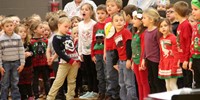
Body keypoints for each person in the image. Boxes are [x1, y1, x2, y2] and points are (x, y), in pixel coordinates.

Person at [47, 16, 80, 100]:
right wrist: (69, 60)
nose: (67, 29)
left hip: (74, 62)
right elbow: (58, 51)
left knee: (72, 81)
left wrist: (77, 59)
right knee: (58, 81)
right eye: (65, 27)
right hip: (65, 63)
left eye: (69, 27)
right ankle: (50, 97)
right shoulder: (56, 38)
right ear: (59, 25)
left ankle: (70, 97)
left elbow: (70, 49)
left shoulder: (68, 36)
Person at [112, 11, 137, 100]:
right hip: (120, 62)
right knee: (121, 83)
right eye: (116, 20)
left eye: (121, 20)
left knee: (129, 83)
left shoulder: (126, 32)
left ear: (124, 22)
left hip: (126, 61)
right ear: (113, 23)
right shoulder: (115, 35)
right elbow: (115, 50)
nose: (119, 22)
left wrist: (129, 59)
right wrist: (114, 62)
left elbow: (129, 46)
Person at [141, 8, 166, 93]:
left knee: (158, 82)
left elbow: (161, 47)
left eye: (144, 18)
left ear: (151, 20)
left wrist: (162, 61)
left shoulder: (157, 31)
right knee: (151, 81)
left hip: (157, 61)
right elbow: (145, 47)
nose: (142, 20)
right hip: (149, 60)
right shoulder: (146, 31)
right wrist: (144, 58)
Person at [0, 17, 25, 100]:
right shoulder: (1, 39)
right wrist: (0, 66)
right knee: (4, 83)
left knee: (15, 82)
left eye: (11, 25)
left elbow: (21, 51)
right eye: (7, 26)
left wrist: (22, 63)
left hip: (16, 63)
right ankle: (3, 98)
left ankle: (16, 98)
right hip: (5, 63)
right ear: (3, 27)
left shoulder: (18, 38)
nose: (9, 27)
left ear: (14, 26)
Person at [78, 3, 98, 99]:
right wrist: (80, 52)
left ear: (91, 12)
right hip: (84, 52)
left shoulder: (94, 24)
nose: (84, 11)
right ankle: (89, 90)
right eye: (82, 9)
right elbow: (80, 39)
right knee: (88, 71)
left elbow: (95, 39)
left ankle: (95, 91)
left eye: (86, 9)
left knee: (94, 71)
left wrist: (94, 51)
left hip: (92, 52)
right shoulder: (80, 24)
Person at [104, 0, 122, 99]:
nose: (109, 7)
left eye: (112, 5)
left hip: (118, 50)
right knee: (110, 73)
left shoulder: (120, 19)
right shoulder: (107, 20)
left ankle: (118, 94)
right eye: (108, 6)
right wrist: (104, 52)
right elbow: (106, 37)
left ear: (118, 8)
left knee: (118, 72)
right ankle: (111, 93)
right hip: (109, 50)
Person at [158, 18, 183, 91]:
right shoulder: (161, 39)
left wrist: (175, 66)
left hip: (172, 64)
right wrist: (161, 64)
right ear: (159, 29)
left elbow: (176, 54)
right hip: (165, 64)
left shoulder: (173, 38)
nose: (163, 28)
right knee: (167, 85)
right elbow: (161, 54)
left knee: (172, 84)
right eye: (161, 26)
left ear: (170, 26)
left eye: (165, 25)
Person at [46, 14, 67, 100]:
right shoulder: (59, 37)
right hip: (59, 60)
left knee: (57, 78)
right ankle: (61, 94)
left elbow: (48, 50)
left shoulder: (50, 37)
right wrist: (53, 58)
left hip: (54, 60)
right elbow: (59, 51)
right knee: (60, 79)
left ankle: (59, 94)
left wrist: (49, 58)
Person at [131, 8, 150, 100]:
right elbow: (133, 48)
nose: (132, 21)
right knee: (139, 82)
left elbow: (143, 48)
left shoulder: (144, 33)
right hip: (135, 61)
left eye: (135, 19)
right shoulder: (135, 32)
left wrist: (143, 60)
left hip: (141, 61)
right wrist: (132, 61)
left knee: (144, 82)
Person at [173, 1, 193, 88]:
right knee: (182, 82)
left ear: (177, 12)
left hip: (186, 58)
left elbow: (188, 43)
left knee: (187, 82)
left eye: (174, 11)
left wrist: (186, 60)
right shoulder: (180, 25)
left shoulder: (186, 25)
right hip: (181, 58)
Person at [90, 4, 107, 100]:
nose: (100, 15)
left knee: (107, 74)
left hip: (105, 53)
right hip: (97, 54)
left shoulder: (108, 25)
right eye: (98, 13)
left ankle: (108, 93)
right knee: (100, 74)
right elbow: (93, 40)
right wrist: (92, 54)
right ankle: (101, 92)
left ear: (107, 14)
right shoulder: (95, 26)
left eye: (102, 13)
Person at [29, 21, 50, 99]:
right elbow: (30, 52)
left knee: (46, 80)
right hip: (35, 64)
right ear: (35, 30)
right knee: (35, 81)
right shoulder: (31, 41)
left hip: (44, 63)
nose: (43, 29)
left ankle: (48, 95)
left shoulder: (45, 40)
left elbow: (48, 51)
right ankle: (36, 95)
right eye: (40, 28)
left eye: (43, 27)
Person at [15, 24, 34, 100]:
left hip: (28, 66)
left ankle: (30, 95)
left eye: (24, 32)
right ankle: (23, 96)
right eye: (21, 31)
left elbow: (33, 53)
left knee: (28, 81)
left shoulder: (28, 43)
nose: (23, 33)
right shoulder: (15, 44)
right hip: (19, 66)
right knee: (20, 82)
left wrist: (30, 54)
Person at [189, 0, 200, 88]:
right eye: (192, 9)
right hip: (195, 58)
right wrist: (191, 59)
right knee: (197, 84)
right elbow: (192, 43)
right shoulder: (196, 25)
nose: (192, 12)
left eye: (195, 9)